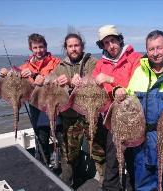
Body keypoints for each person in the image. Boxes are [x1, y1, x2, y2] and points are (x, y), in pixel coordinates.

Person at [114, 30, 163, 191]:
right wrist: (118, 91)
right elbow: (129, 98)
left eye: (159, 48)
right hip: (143, 141)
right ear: (147, 51)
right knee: (143, 183)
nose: (155, 53)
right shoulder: (139, 73)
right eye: (151, 49)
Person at [0, 33, 61, 165]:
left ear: (46, 46)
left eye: (41, 47)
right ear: (31, 49)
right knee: (41, 140)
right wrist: (4, 73)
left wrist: (37, 74)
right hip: (37, 108)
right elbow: (13, 75)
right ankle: (44, 165)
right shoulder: (25, 66)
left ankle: (61, 162)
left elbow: (57, 76)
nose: (39, 50)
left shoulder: (56, 62)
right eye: (35, 48)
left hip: (54, 105)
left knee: (60, 136)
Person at [92, 25, 142, 191]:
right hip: (111, 118)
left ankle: (134, 186)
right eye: (106, 43)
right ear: (102, 46)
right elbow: (94, 86)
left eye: (113, 41)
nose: (111, 46)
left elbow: (137, 85)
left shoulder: (136, 58)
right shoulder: (100, 64)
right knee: (112, 157)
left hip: (133, 116)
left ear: (120, 40)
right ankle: (111, 188)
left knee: (134, 157)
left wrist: (111, 79)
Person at [50, 32, 97, 187]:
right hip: (69, 117)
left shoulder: (92, 62)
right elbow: (48, 82)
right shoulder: (60, 67)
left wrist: (84, 81)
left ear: (82, 46)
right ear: (66, 48)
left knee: (98, 150)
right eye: (70, 46)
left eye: (76, 45)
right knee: (69, 154)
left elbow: (98, 80)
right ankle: (67, 184)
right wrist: (56, 82)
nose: (74, 49)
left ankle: (103, 183)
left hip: (90, 114)